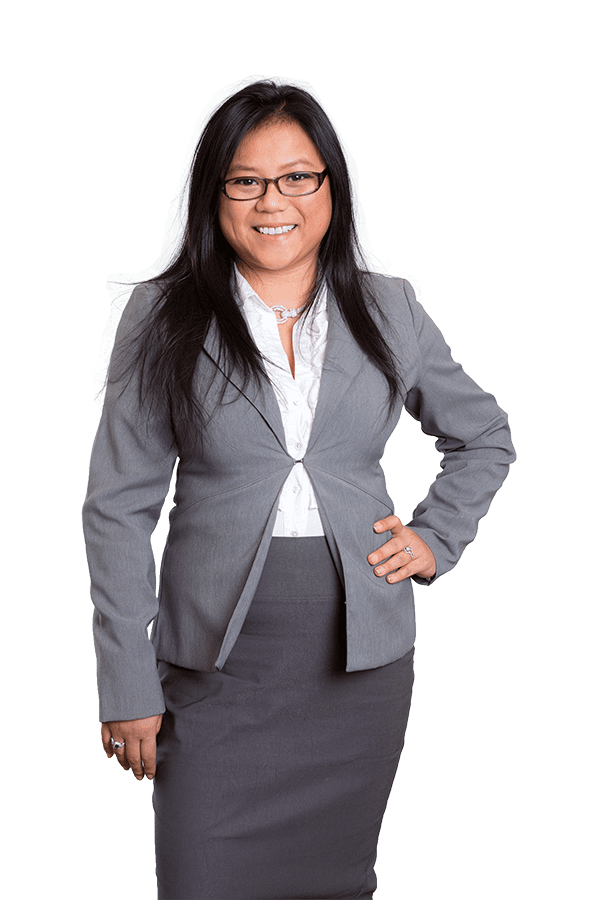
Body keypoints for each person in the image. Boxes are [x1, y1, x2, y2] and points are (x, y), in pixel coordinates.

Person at [82, 78, 516, 900]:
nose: (271, 200)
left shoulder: (390, 310)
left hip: (359, 665)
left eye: (297, 177)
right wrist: (126, 684)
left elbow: (485, 434)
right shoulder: (163, 314)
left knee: (338, 885)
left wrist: (436, 539)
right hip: (213, 664)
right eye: (244, 180)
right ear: (214, 194)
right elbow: (116, 509)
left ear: (332, 186)